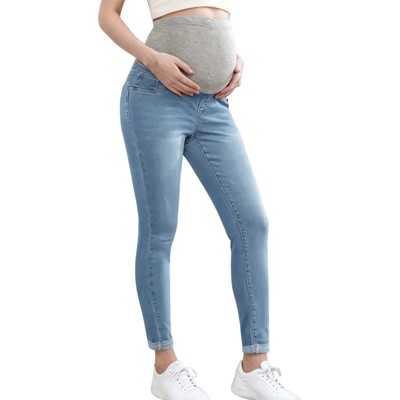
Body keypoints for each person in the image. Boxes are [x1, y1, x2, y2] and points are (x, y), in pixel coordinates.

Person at [98, 1, 301, 399]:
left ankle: (254, 365)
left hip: (214, 104)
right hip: (154, 96)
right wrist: (152, 59)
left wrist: (232, 58)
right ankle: (165, 364)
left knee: (252, 223)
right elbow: (107, 15)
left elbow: (210, 17)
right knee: (160, 230)